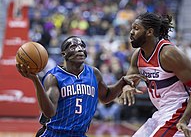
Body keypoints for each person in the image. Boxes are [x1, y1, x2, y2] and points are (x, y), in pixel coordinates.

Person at [16, 36, 145, 137]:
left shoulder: (94, 73)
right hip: (54, 134)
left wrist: (122, 82)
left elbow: (105, 97)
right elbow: (49, 112)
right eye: (73, 46)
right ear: (64, 54)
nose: (79, 49)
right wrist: (36, 81)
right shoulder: (54, 77)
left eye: (82, 46)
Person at [119, 12, 191, 137]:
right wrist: (128, 87)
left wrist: (185, 120)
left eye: (136, 28)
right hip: (163, 113)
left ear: (149, 32)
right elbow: (130, 81)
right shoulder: (137, 56)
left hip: (185, 114)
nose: (131, 32)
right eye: (132, 28)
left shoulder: (168, 54)